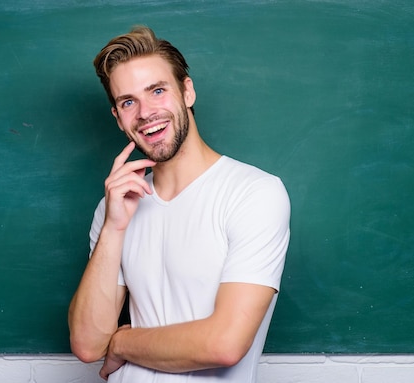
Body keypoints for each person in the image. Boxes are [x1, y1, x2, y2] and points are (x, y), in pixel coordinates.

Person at [68, 26, 291, 382]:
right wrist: (113, 227)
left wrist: (123, 343)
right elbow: (88, 344)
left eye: (157, 91)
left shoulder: (254, 193)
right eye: (128, 102)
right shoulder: (115, 207)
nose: (145, 113)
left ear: (187, 91)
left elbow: (224, 344)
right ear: (118, 117)